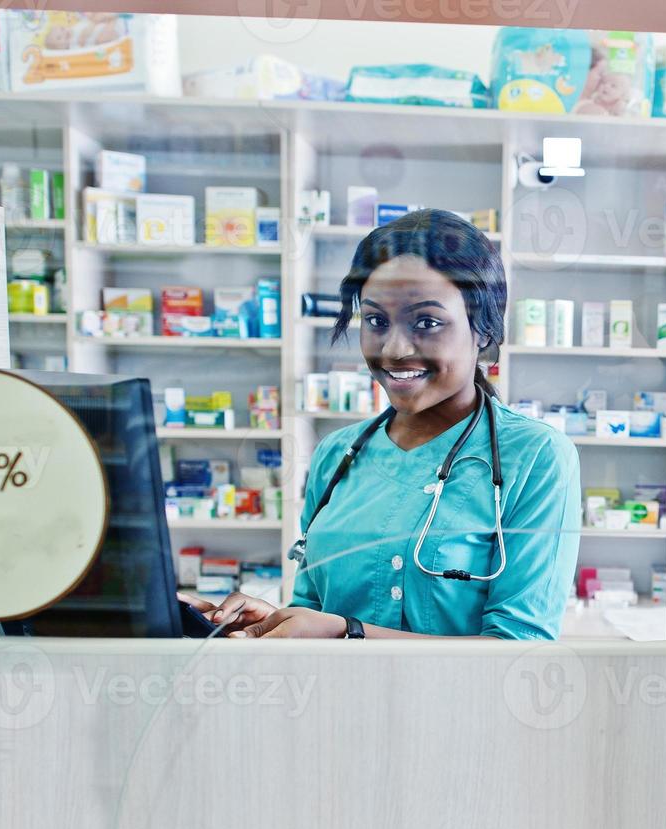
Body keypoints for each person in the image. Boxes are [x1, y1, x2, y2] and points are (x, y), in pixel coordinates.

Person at [185, 209, 581, 640]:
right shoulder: (336, 455)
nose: (394, 350)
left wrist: (346, 632)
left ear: (483, 330)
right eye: (375, 321)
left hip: (460, 709)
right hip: (334, 703)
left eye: (427, 322)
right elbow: (314, 610)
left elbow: (519, 649)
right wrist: (270, 623)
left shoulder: (536, 456)